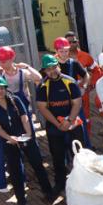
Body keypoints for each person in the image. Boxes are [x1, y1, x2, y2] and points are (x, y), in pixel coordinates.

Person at [0, 76, 54, 205]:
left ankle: (48, 192)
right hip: (9, 141)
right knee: (15, 170)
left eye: (2, 88)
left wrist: (28, 134)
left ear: (5, 89)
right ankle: (21, 200)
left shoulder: (15, 100)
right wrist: (8, 138)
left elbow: (24, 118)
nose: (0, 91)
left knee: (37, 164)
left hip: (24, 137)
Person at [35, 54, 83, 196]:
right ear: (44, 71)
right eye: (48, 69)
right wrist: (57, 124)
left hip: (73, 124)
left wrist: (68, 121)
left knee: (78, 155)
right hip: (54, 127)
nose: (52, 71)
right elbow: (42, 108)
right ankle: (60, 183)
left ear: (58, 66)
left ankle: (81, 183)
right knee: (57, 156)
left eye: (54, 67)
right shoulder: (43, 86)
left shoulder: (70, 82)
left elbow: (77, 102)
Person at [53, 37, 91, 148]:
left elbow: (86, 75)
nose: (64, 54)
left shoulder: (73, 63)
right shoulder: (52, 66)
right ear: (56, 51)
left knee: (80, 126)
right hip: (59, 102)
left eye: (66, 51)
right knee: (62, 128)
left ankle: (85, 150)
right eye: (61, 51)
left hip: (74, 100)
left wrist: (83, 86)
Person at [0, 47, 42, 122]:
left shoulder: (22, 72)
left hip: (25, 108)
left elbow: (39, 78)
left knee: (29, 131)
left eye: (3, 61)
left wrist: (27, 67)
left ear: (11, 59)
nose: (1, 64)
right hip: (8, 110)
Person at [64, 32, 96, 121]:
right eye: (68, 42)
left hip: (83, 91)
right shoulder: (60, 58)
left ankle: (87, 134)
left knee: (86, 117)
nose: (71, 44)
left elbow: (97, 71)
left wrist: (91, 83)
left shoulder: (86, 56)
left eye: (73, 42)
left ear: (77, 42)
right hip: (67, 93)